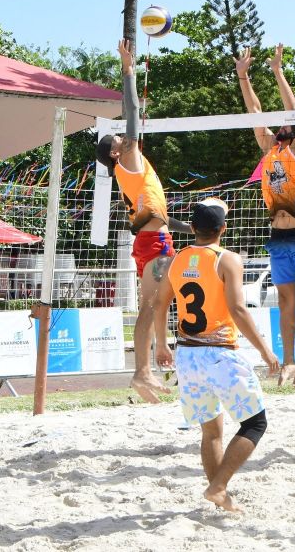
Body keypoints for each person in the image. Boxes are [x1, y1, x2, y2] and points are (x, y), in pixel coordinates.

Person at [153, 198, 279, 512]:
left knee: (211, 431)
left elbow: (159, 304)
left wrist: (160, 343)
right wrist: (265, 350)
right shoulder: (227, 259)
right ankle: (219, 486)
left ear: (192, 228)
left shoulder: (177, 259)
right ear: (223, 228)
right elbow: (237, 309)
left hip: (187, 356)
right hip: (220, 354)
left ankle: (221, 497)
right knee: (255, 424)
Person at [95, 39, 193, 404]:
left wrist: (190, 229)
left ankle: (150, 363)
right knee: (154, 304)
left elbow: (155, 218)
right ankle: (144, 368)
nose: (125, 136)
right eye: (120, 138)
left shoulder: (126, 174)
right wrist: (128, 70)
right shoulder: (130, 159)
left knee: (152, 304)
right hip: (154, 245)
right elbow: (133, 110)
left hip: (149, 241)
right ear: (116, 150)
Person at [234, 45, 295, 389]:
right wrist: (243, 75)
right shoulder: (270, 149)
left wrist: (277, 71)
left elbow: (293, 111)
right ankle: (288, 362)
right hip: (278, 238)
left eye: (288, 124)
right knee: (285, 300)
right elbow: (254, 109)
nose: (282, 125)